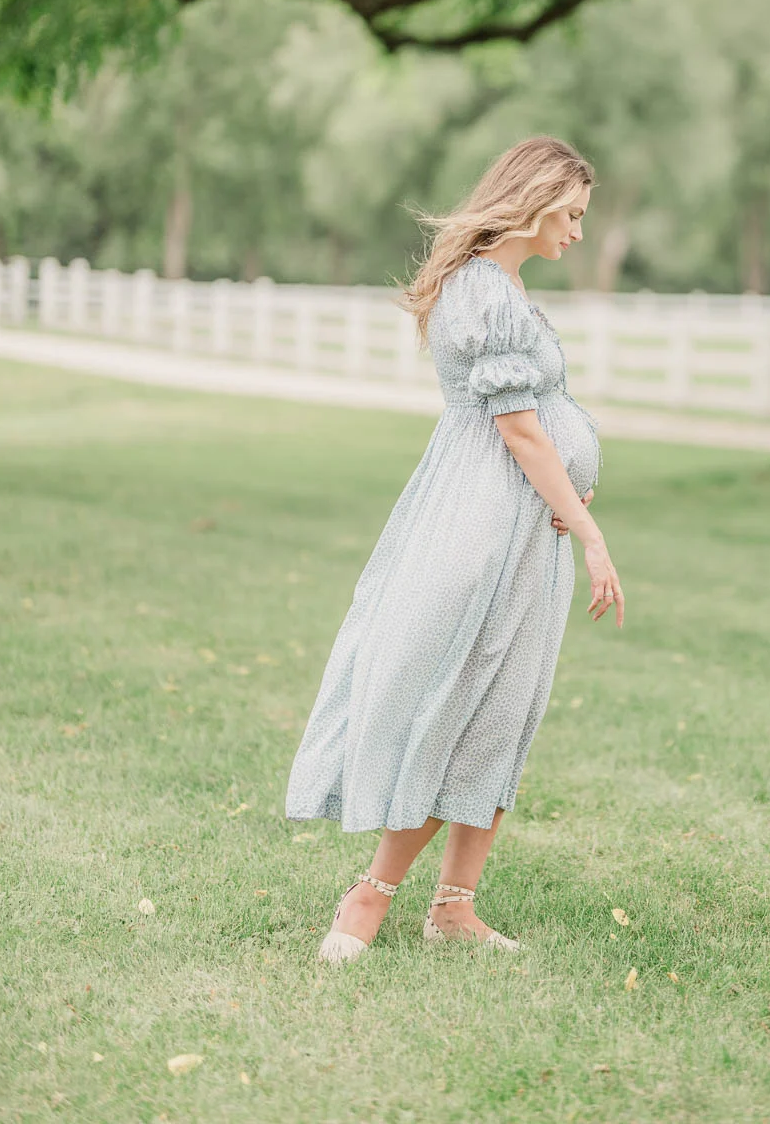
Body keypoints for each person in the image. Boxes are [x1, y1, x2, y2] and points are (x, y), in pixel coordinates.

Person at [286, 137, 624, 961]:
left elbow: (545, 426)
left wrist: (572, 489)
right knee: (454, 699)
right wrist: (587, 529)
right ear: (534, 201)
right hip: (485, 523)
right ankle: (370, 895)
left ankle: (456, 907)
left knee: (507, 712)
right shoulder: (482, 292)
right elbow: (516, 430)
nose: (577, 232)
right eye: (571, 215)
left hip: (526, 528)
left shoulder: (506, 286)